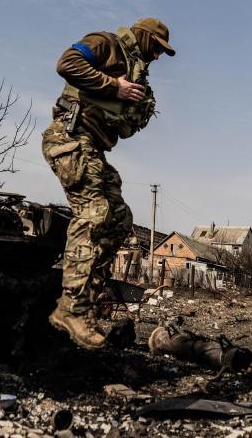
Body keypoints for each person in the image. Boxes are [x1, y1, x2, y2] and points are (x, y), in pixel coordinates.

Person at [42, 18, 175, 349]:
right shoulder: (106, 43)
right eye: (157, 48)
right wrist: (114, 87)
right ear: (144, 37)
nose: (157, 56)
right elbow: (66, 63)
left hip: (93, 149)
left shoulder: (137, 73)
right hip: (69, 137)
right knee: (95, 211)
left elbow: (124, 124)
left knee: (118, 219)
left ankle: (88, 297)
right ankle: (70, 308)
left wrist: (136, 108)